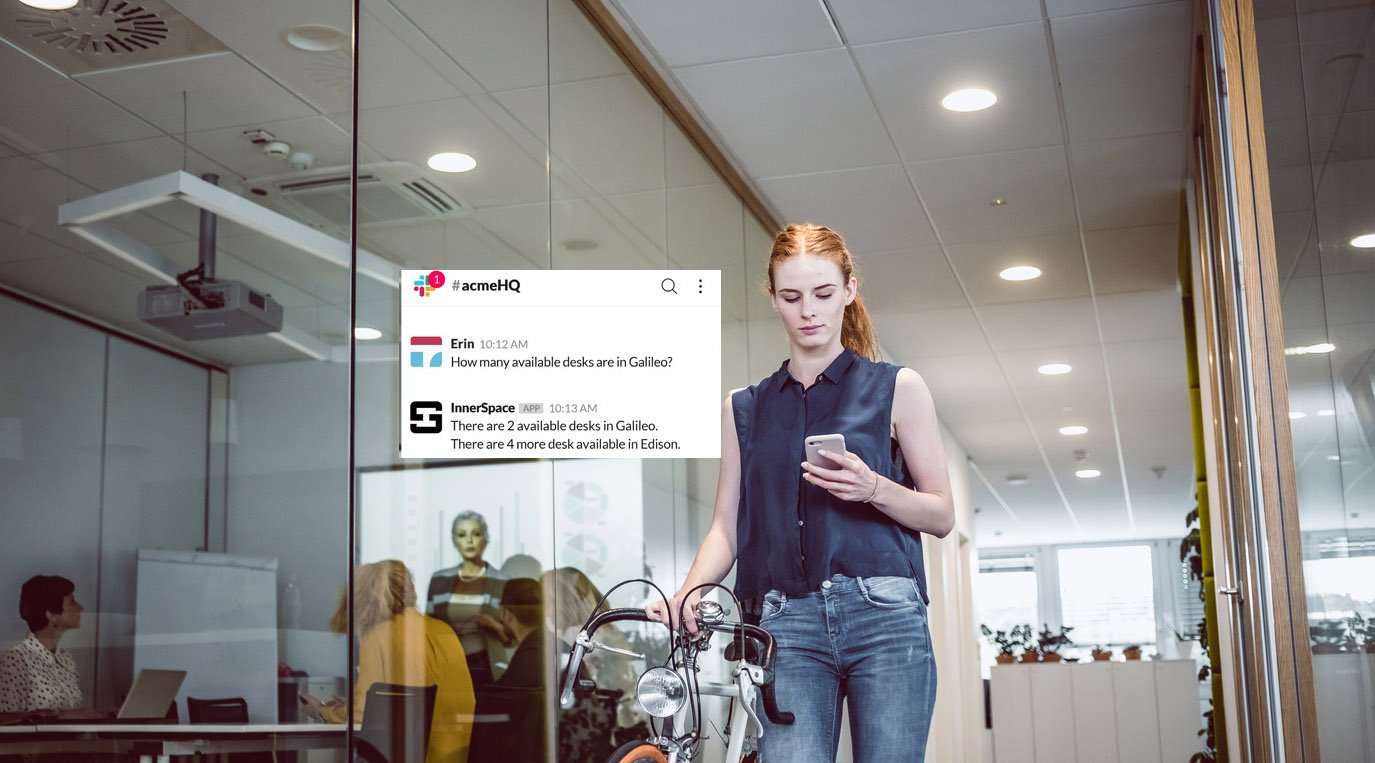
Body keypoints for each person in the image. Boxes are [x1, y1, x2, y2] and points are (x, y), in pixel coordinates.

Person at [645, 223, 955, 762]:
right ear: (773, 299)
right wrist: (687, 593)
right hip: (786, 623)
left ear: (850, 291)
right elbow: (726, 526)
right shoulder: (743, 408)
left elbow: (942, 513)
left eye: (823, 294)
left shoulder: (898, 388)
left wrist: (874, 487)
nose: (808, 310)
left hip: (883, 615)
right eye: (791, 297)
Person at [304, 561, 475, 763]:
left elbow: (360, 715)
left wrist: (322, 711)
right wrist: (372, 704)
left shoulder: (378, 633)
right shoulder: (443, 630)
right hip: (453, 756)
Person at [427, 511, 511, 689]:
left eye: (476, 534)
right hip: (446, 664)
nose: (470, 540)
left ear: (486, 538)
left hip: (485, 665)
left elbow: (512, 638)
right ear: (453, 540)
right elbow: (428, 628)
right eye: (462, 534)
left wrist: (494, 626)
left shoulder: (503, 581)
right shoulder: (439, 579)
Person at [0, 575, 103, 717]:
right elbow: (5, 720)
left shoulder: (66, 659)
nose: (80, 608)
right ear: (51, 615)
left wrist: (102, 715)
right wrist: (61, 717)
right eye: (72, 603)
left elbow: (73, 716)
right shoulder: (16, 659)